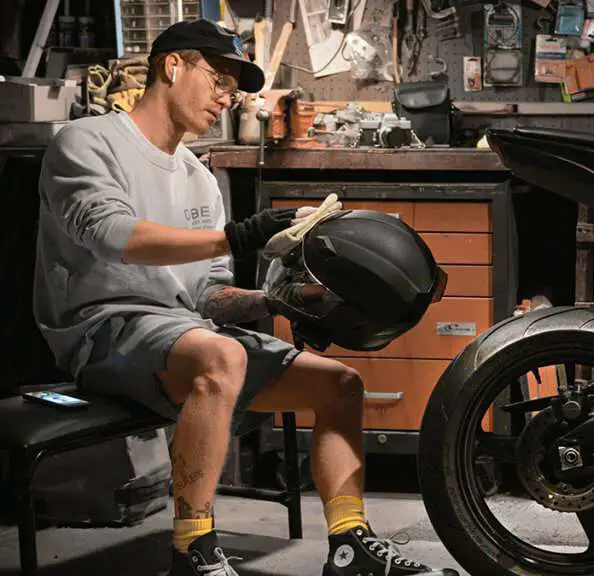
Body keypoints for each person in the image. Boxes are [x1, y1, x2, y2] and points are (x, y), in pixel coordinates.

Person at [32, 18, 457, 576]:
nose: (226, 97)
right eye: (218, 79)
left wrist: (281, 300)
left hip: (184, 334)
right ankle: (194, 549)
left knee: (339, 385)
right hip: (101, 330)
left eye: (234, 88)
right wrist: (244, 233)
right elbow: (113, 237)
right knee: (223, 356)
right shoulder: (86, 141)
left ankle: (350, 546)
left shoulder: (199, 177)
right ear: (172, 65)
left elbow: (207, 295)